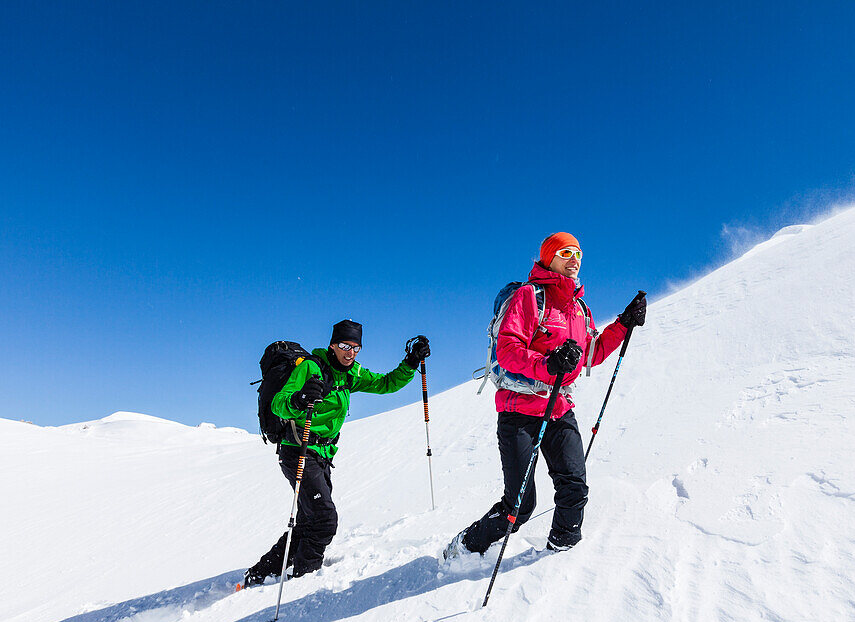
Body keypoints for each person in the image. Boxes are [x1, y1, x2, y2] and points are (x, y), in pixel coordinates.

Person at [445, 232, 647, 557]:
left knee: (575, 488)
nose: (574, 260)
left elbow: (590, 353)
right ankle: (466, 546)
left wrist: (623, 324)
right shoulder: (530, 296)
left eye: (579, 254)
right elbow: (508, 348)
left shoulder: (579, 308)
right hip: (518, 410)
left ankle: (557, 558)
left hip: (559, 408)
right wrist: (548, 364)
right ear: (549, 257)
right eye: (566, 252)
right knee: (521, 505)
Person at [243, 320, 430, 587]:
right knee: (324, 520)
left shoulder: (352, 373)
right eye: (344, 346)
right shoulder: (310, 367)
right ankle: (302, 582)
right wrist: (299, 400)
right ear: (332, 345)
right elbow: (278, 404)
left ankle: (261, 573)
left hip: (321, 455)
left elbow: (386, 384)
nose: (350, 352)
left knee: (309, 521)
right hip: (299, 450)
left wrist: (410, 362)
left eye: (356, 347)